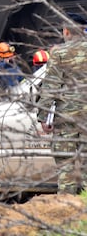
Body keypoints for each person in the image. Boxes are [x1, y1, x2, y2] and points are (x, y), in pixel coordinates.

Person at [38, 12, 87, 194]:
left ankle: (67, 211)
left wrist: (43, 116)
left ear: (66, 31)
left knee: (66, 167)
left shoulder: (59, 53)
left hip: (67, 119)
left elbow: (50, 86)